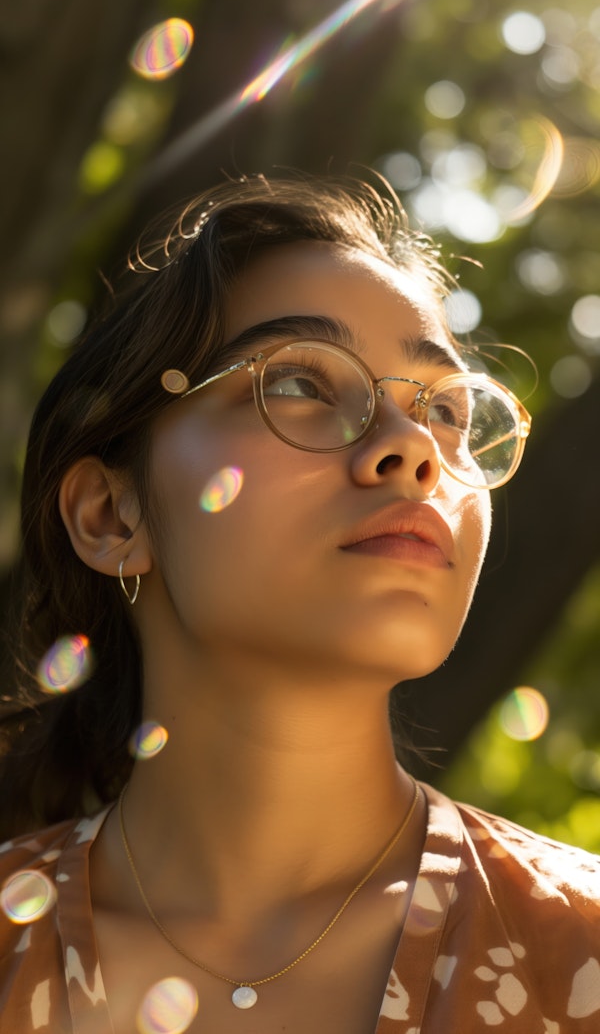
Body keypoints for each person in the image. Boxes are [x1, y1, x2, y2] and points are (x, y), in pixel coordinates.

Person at [0, 173, 598, 1034]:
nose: (412, 451)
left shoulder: (579, 951)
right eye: (300, 385)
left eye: (446, 409)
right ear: (112, 514)